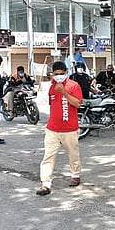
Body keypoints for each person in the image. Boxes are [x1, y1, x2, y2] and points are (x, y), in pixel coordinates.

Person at [36, 61, 83, 196]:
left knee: (73, 154)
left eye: (61, 74)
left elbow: (77, 104)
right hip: (52, 129)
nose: (58, 77)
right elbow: (52, 105)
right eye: (56, 74)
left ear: (66, 73)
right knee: (48, 157)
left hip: (70, 129)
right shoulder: (51, 87)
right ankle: (46, 184)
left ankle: (75, 175)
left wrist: (64, 92)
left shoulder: (74, 86)